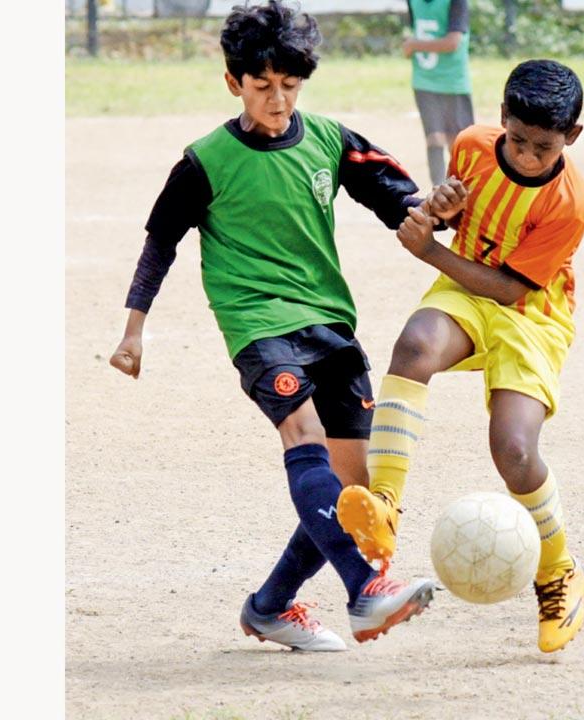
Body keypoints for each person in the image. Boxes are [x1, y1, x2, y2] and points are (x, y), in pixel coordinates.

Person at [108, 0, 457, 652]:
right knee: (302, 433)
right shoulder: (205, 161)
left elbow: (400, 202)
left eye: (290, 86)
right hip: (258, 326)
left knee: (350, 488)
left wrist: (433, 208)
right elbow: (161, 242)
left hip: (329, 324)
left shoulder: (329, 141)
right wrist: (134, 328)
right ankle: (365, 591)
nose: (277, 99)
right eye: (262, 85)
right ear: (233, 82)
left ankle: (269, 607)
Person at [336, 60, 584, 653]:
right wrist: (443, 210)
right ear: (501, 119)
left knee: (515, 450)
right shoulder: (473, 145)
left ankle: (558, 570)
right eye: (519, 139)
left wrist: (427, 250)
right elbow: (458, 225)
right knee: (415, 344)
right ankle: (385, 506)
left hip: (531, 316)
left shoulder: (570, 202)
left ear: (571, 138)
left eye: (543, 147)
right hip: (466, 290)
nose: (527, 156)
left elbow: (509, 289)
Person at [403, 0, 474, 186]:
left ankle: (462, 189)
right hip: (424, 81)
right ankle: (438, 189)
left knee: (458, 142)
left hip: (452, 82)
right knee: (433, 137)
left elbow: (453, 42)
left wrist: (414, 45)